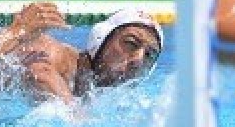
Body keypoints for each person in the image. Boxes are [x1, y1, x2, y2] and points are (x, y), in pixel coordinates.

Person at [14, 8, 162, 103]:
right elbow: (40, 73)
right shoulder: (59, 57)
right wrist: (74, 113)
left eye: (149, 54)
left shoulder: (101, 95)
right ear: (101, 39)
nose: (139, 59)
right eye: (131, 43)